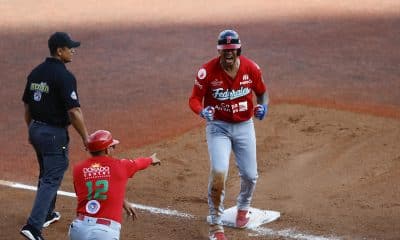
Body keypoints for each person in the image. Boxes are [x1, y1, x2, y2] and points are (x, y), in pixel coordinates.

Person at [189, 29, 269, 240]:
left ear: (238, 50)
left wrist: (262, 107)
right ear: (219, 52)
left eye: (232, 50)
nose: (228, 54)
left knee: (251, 175)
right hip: (218, 128)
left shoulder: (251, 68)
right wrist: (202, 111)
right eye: (224, 51)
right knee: (219, 173)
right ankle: (216, 226)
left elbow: (261, 93)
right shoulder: (206, 72)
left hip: (244, 126)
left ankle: (243, 207)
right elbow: (194, 99)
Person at [20, 32, 89, 240]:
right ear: (59, 51)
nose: (73, 50)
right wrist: (86, 137)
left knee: (46, 171)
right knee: (52, 177)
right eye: (70, 48)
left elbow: (27, 105)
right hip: (53, 134)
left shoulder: (35, 73)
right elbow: (74, 112)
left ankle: (48, 213)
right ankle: (33, 227)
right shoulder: (64, 76)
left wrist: (33, 129)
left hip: (36, 129)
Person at [68, 130, 161, 240]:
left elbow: (89, 192)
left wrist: (121, 200)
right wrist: (151, 159)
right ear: (107, 149)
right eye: (113, 146)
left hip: (78, 229)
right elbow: (138, 163)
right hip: (104, 233)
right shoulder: (120, 166)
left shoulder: (78, 169)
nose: (114, 149)